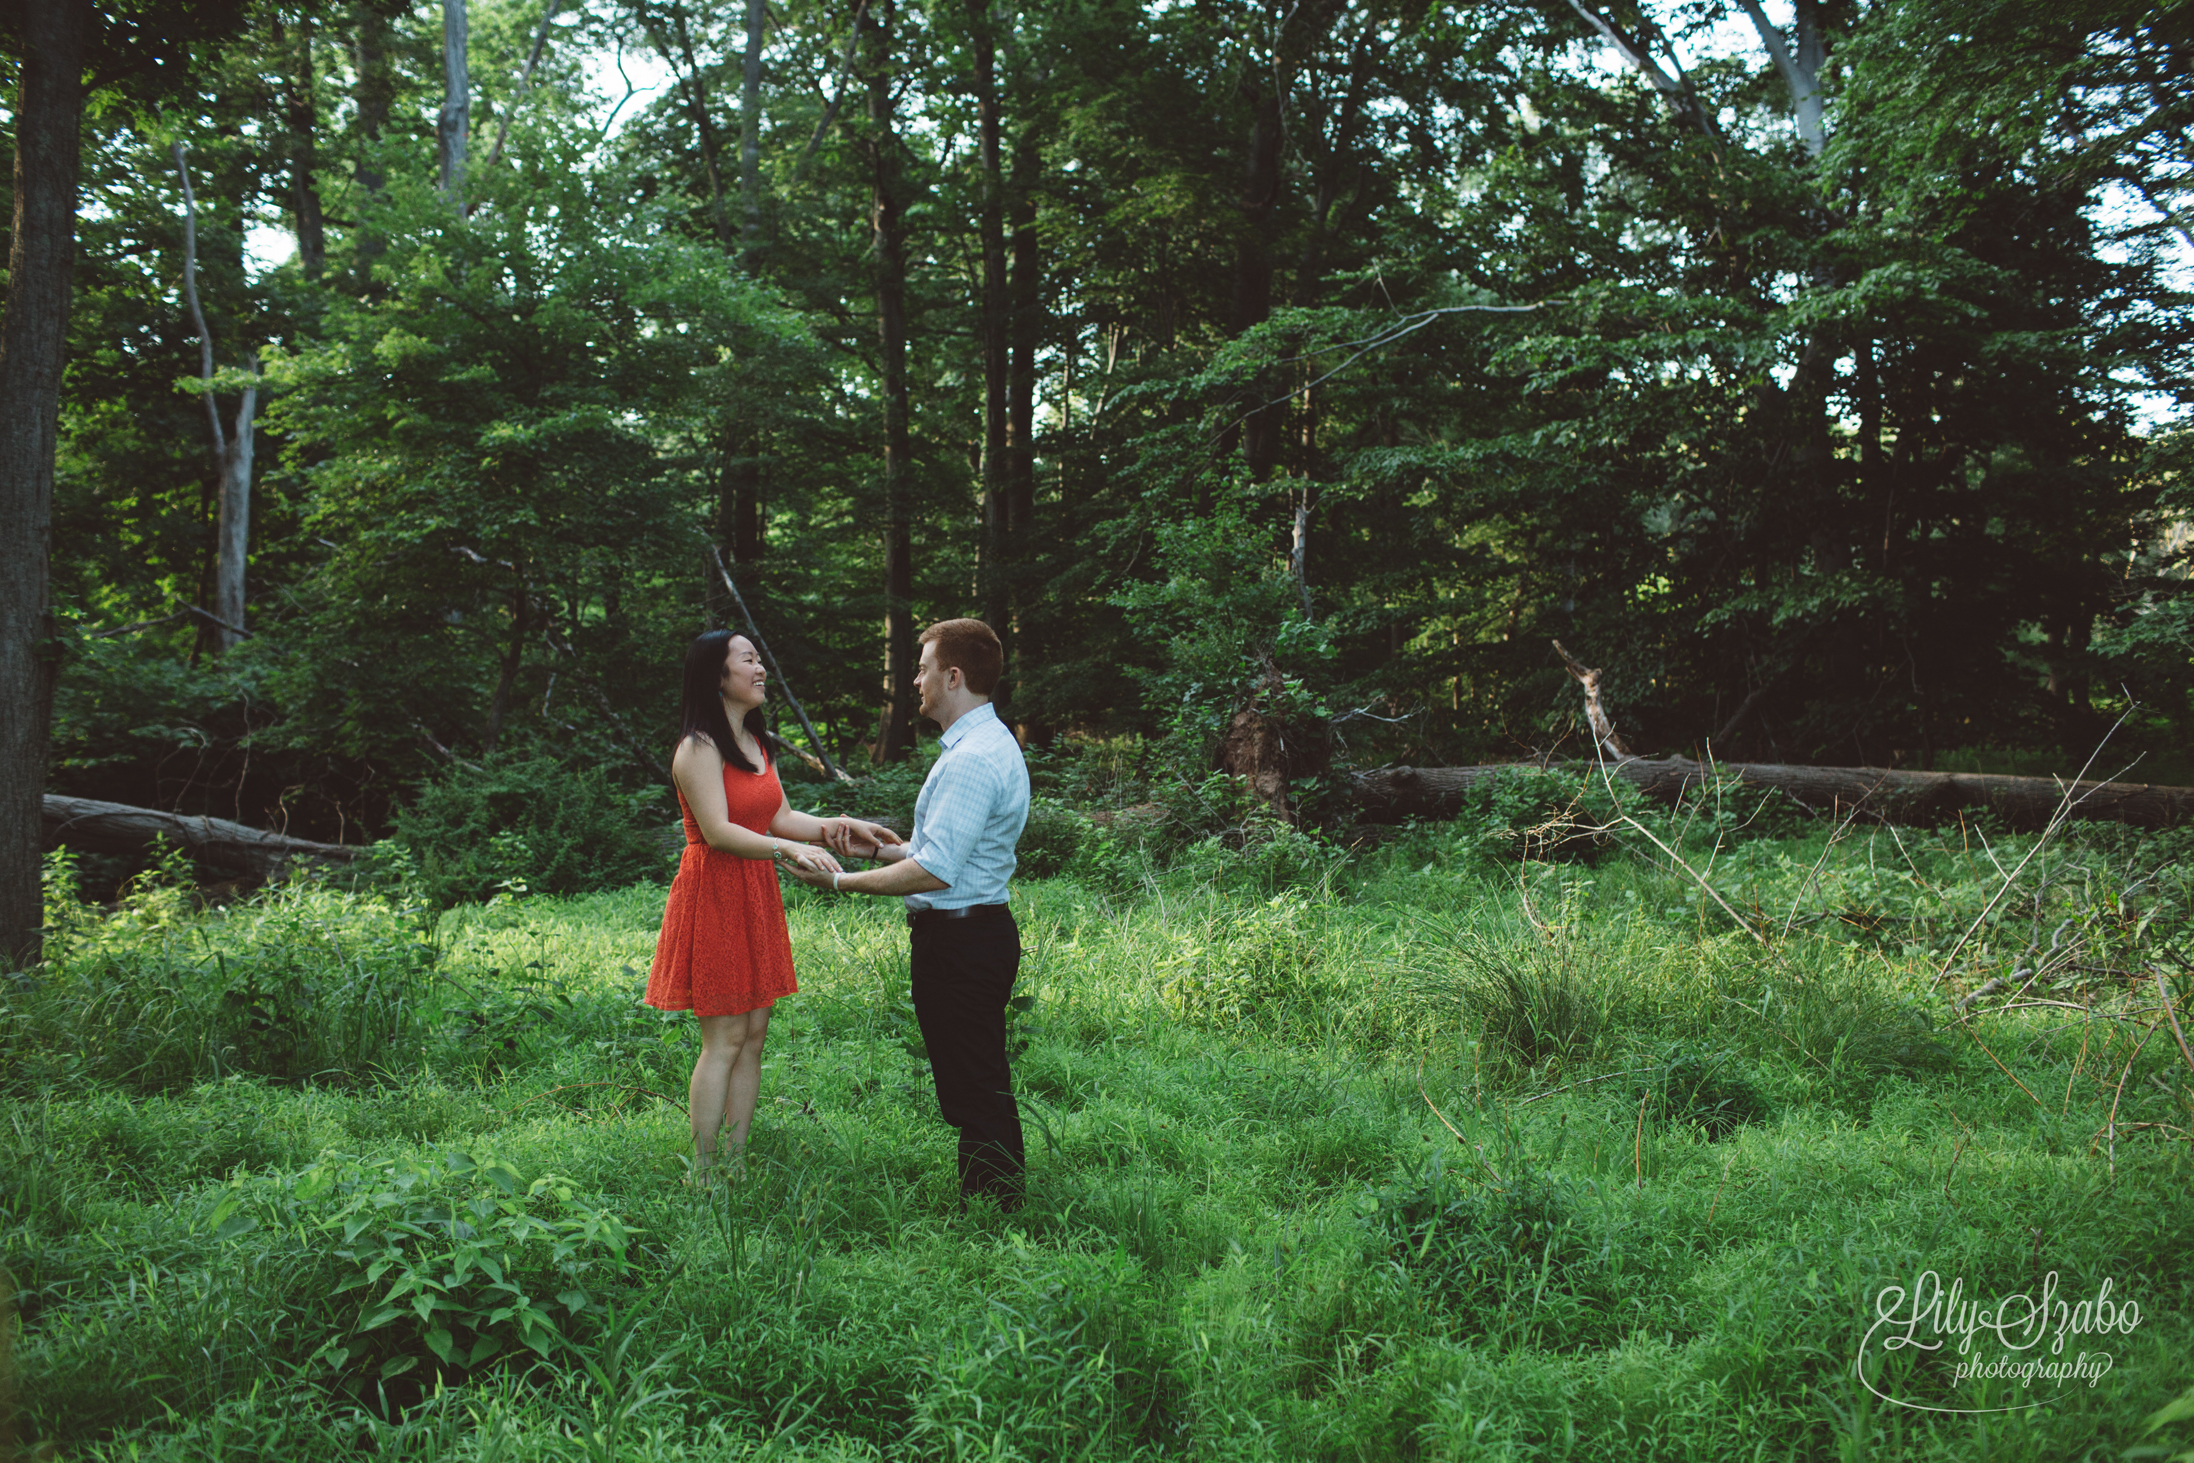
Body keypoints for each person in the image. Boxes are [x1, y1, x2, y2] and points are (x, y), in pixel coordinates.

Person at [786, 619, 1032, 1211]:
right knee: (971, 1077)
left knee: (975, 1082)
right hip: (967, 934)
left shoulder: (973, 757)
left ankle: (997, 1209)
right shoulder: (979, 745)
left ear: (953, 676)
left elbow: (935, 870)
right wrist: (874, 847)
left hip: (963, 940)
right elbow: (941, 852)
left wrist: (840, 881)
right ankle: (988, 1199)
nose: (915, 680)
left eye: (922, 669)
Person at [646, 629, 902, 1182]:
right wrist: (787, 848)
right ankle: (703, 1170)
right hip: (714, 890)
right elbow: (717, 832)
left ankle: (736, 1163)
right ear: (718, 675)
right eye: (748, 659)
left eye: (760, 658)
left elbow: (780, 818)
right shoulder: (698, 747)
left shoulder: (755, 744)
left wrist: (836, 827)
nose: (761, 668)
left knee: (755, 1034)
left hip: (754, 890)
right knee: (725, 1038)